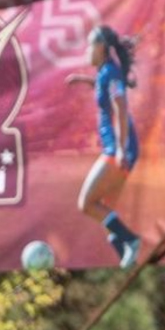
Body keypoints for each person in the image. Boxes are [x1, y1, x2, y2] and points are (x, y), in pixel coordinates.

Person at [66, 24, 143, 269]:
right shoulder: (105, 73)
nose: (87, 50)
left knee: (86, 203)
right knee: (99, 205)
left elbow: (121, 110)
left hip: (118, 149)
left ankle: (129, 240)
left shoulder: (110, 73)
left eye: (90, 44)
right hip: (119, 148)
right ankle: (123, 248)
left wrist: (120, 149)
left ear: (101, 47)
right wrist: (86, 80)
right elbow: (106, 91)